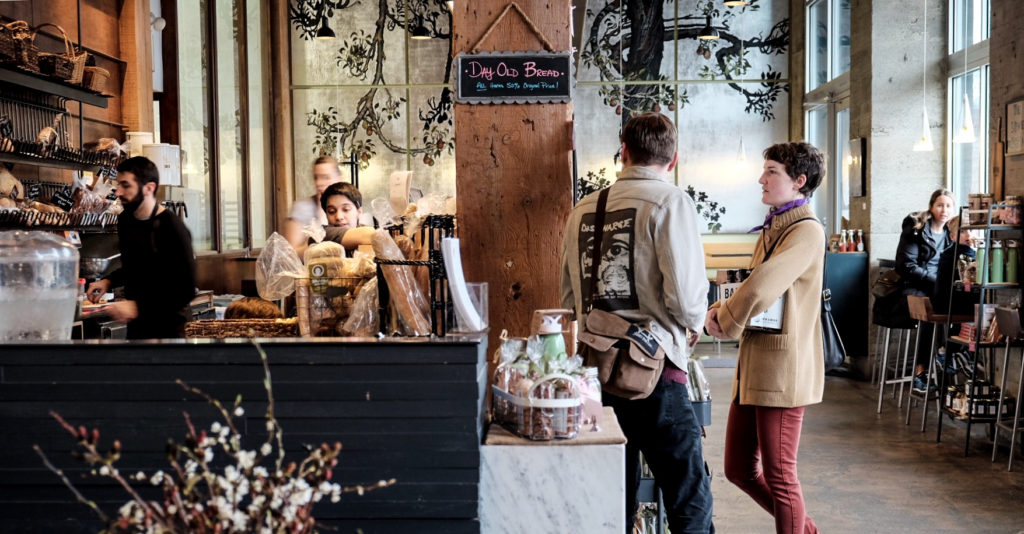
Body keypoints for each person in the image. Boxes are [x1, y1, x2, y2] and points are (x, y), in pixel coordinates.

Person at [560, 113, 713, 533]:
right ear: (674, 158)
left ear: (623, 152)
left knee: (608, 489)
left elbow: (569, 299)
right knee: (687, 491)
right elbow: (684, 298)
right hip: (656, 370)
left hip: (593, 372)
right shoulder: (671, 201)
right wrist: (695, 323)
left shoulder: (583, 209)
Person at [704, 142, 824, 534]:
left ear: (799, 181)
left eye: (772, 171)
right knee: (738, 468)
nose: (762, 178)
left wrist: (723, 319)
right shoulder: (777, 225)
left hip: (782, 371)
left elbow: (761, 288)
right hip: (755, 367)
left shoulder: (805, 231)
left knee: (781, 475)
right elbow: (751, 287)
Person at [86, 156, 197, 339]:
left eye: (126, 185)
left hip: (170, 330)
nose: (118, 192)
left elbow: (185, 289)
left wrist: (138, 307)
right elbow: (136, 266)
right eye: (118, 185)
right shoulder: (125, 221)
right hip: (138, 329)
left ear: (149, 188)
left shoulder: (171, 227)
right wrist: (108, 281)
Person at [893, 189, 957, 391]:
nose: (944, 210)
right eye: (940, 205)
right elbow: (907, 266)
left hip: (939, 287)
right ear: (931, 206)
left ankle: (945, 352)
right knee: (929, 310)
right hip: (914, 287)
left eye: (948, 206)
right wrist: (937, 281)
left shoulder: (951, 233)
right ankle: (921, 372)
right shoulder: (917, 228)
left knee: (964, 307)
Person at [285, 156, 344, 250]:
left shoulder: (349, 206)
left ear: (339, 178)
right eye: (316, 177)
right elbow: (291, 252)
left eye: (326, 177)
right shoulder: (302, 208)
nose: (319, 183)